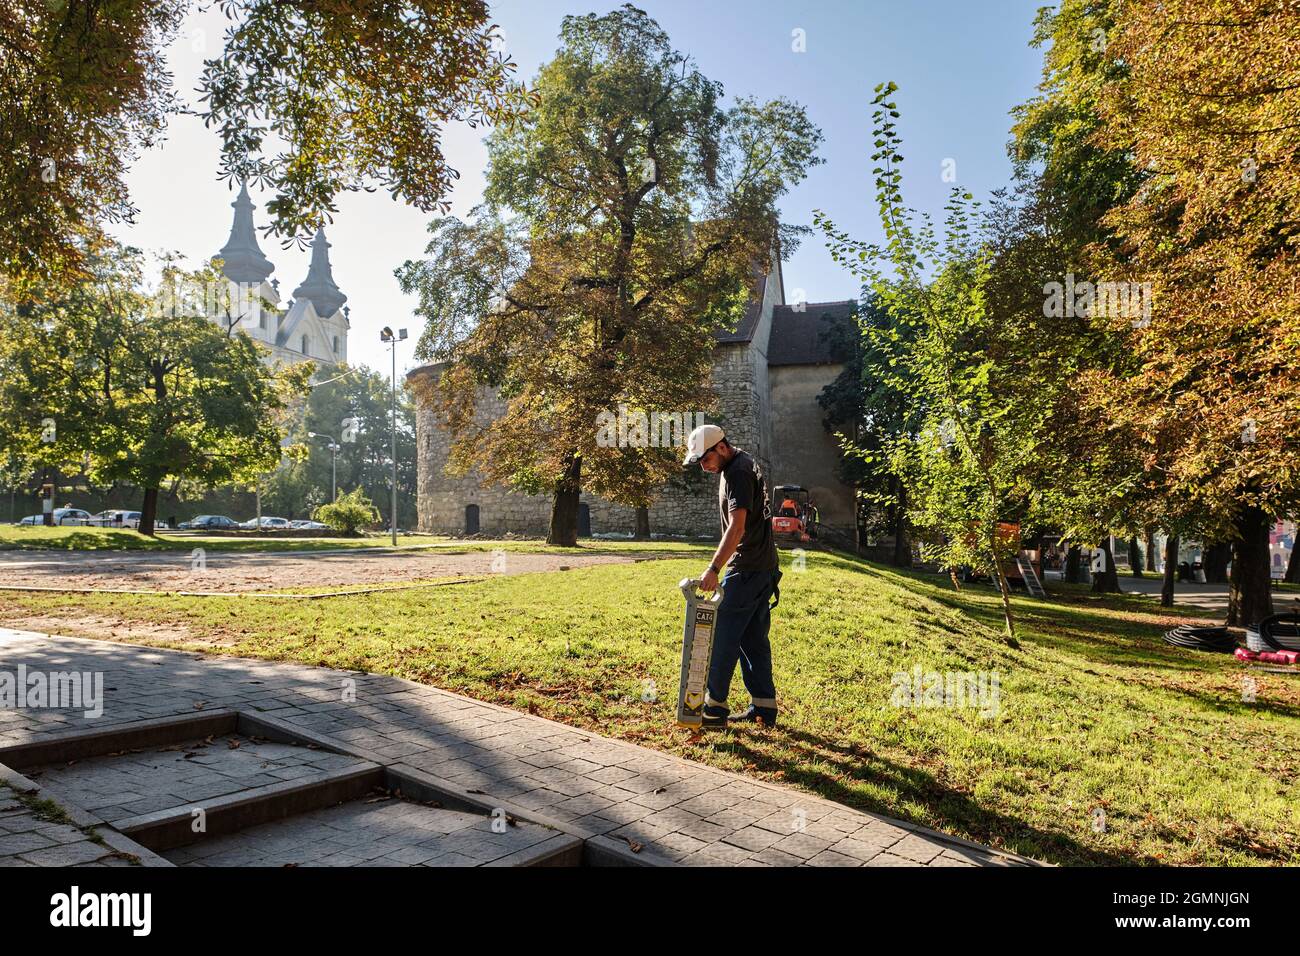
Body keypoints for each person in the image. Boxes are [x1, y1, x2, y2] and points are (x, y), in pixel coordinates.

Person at [682, 424, 782, 729]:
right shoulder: (745, 462)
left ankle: (714, 710)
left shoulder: (737, 472)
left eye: (705, 459)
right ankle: (764, 707)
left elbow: (737, 528)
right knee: (753, 640)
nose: (704, 466)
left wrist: (714, 569)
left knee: (722, 638)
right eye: (699, 462)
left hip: (747, 570)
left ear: (721, 447)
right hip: (763, 567)